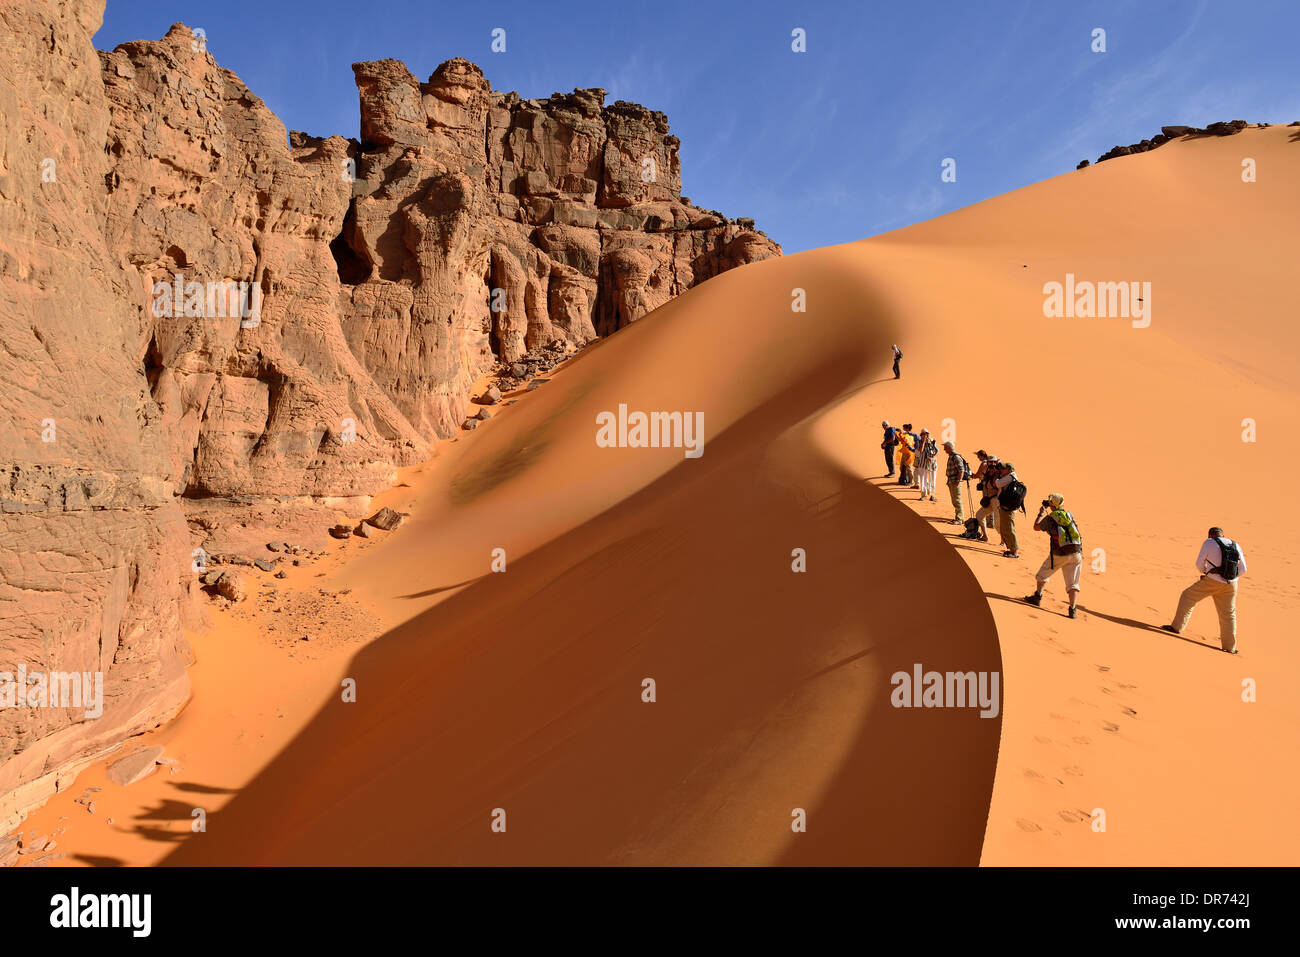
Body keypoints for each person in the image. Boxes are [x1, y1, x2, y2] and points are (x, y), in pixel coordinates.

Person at [1161, 528, 1246, 654]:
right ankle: (1230, 648)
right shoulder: (1235, 544)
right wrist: (1230, 578)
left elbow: (1199, 563)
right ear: (1223, 535)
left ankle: (1176, 627)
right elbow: (1243, 569)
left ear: (1210, 535)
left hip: (1212, 581)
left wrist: (1206, 572)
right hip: (1232, 585)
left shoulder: (1209, 542)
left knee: (1187, 596)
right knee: (1228, 614)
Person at [1023, 493, 1082, 618]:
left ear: (1052, 505)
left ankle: (1037, 596)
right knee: (1073, 584)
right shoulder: (1069, 515)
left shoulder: (1051, 517)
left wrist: (1041, 513)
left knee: (1042, 575)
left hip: (1059, 553)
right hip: (1076, 552)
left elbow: (1036, 527)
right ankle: (1073, 609)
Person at [992, 461, 1022, 558]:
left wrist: (997, 475)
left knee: (1009, 528)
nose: (1001, 470)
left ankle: (1015, 551)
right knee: (1005, 527)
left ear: (1009, 470)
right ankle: (1012, 549)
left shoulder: (1010, 477)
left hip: (1009, 508)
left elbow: (997, 484)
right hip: (1006, 506)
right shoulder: (1009, 477)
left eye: (1003, 469)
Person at [971, 452, 1000, 542]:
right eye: (990, 462)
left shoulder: (999, 474)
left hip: (996, 500)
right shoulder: (987, 472)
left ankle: (1004, 541)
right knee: (979, 515)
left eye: (993, 462)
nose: (991, 464)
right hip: (988, 499)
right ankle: (985, 536)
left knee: (998, 522)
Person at [943, 441, 968, 524]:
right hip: (951, 480)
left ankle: (959, 519)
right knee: (954, 500)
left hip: (955, 481)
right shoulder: (951, 456)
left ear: (950, 447)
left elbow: (961, 470)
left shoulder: (956, 457)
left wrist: (958, 481)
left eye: (945, 447)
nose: (944, 449)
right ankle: (958, 517)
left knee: (957, 500)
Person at [916, 429, 938, 501]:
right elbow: (920, 450)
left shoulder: (933, 442)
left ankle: (932, 495)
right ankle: (923, 495)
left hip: (932, 465)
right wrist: (924, 442)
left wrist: (932, 458)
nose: (925, 436)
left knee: (933, 480)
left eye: (926, 434)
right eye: (923, 434)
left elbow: (937, 451)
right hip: (923, 464)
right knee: (923, 480)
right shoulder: (919, 442)